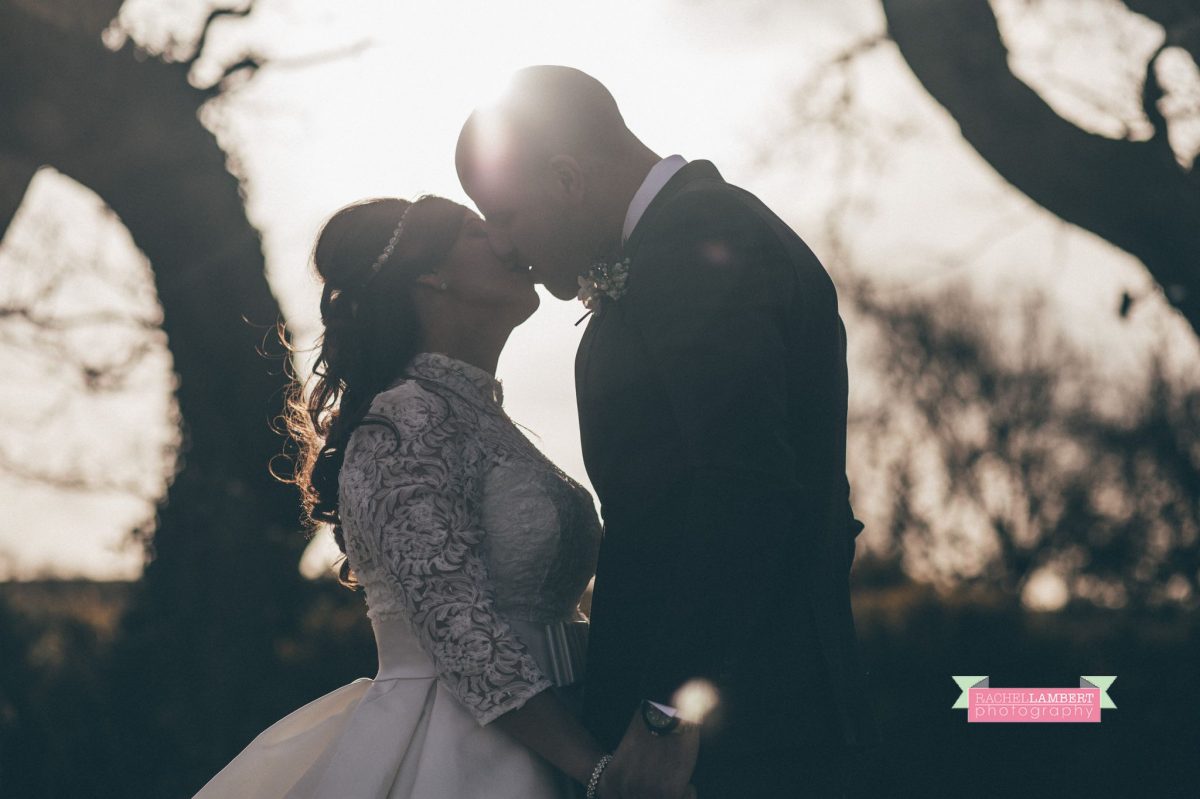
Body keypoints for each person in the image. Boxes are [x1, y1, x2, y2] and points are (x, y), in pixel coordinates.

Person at [456, 66, 880, 798]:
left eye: (503, 213)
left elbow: (744, 491)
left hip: (739, 734)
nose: (501, 244)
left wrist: (666, 713)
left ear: (565, 178)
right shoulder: (679, 242)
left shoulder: (697, 245)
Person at [192, 195, 616, 798]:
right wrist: (597, 771)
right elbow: (455, 624)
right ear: (429, 273)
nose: (505, 242)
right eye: (477, 231)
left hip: (558, 730)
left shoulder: (473, 413)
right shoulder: (408, 420)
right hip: (465, 752)